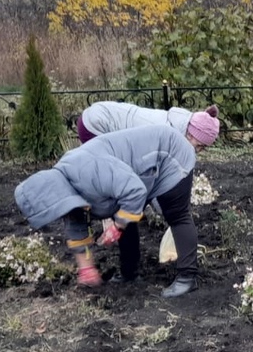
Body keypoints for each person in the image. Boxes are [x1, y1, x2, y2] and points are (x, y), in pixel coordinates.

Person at [14, 125, 202, 298]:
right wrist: (86, 268)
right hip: (137, 172)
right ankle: (130, 273)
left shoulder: (89, 171)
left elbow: (134, 191)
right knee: (123, 212)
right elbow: (74, 221)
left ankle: (187, 278)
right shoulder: (64, 188)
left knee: (176, 214)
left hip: (168, 152)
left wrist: (118, 227)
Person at [77, 100, 221, 146]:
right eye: (200, 146)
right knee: (112, 170)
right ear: (192, 134)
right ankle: (109, 215)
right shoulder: (166, 134)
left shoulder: (179, 122)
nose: (200, 151)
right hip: (96, 124)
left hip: (100, 113)